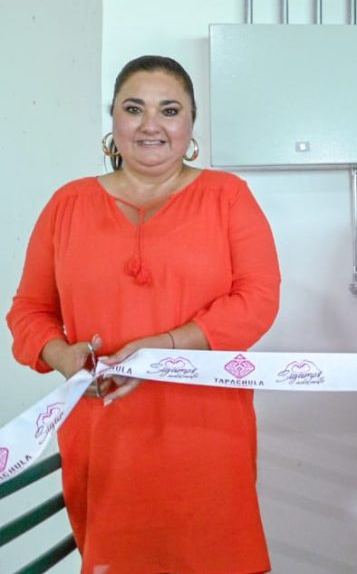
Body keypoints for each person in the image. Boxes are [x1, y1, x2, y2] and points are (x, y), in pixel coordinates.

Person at [6, 55, 281, 572]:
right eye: (134, 109)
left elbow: (258, 299)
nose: (151, 124)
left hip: (205, 432)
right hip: (103, 429)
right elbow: (29, 310)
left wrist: (167, 347)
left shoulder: (227, 197)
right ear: (113, 119)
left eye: (169, 110)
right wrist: (61, 356)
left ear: (191, 123)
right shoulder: (67, 204)